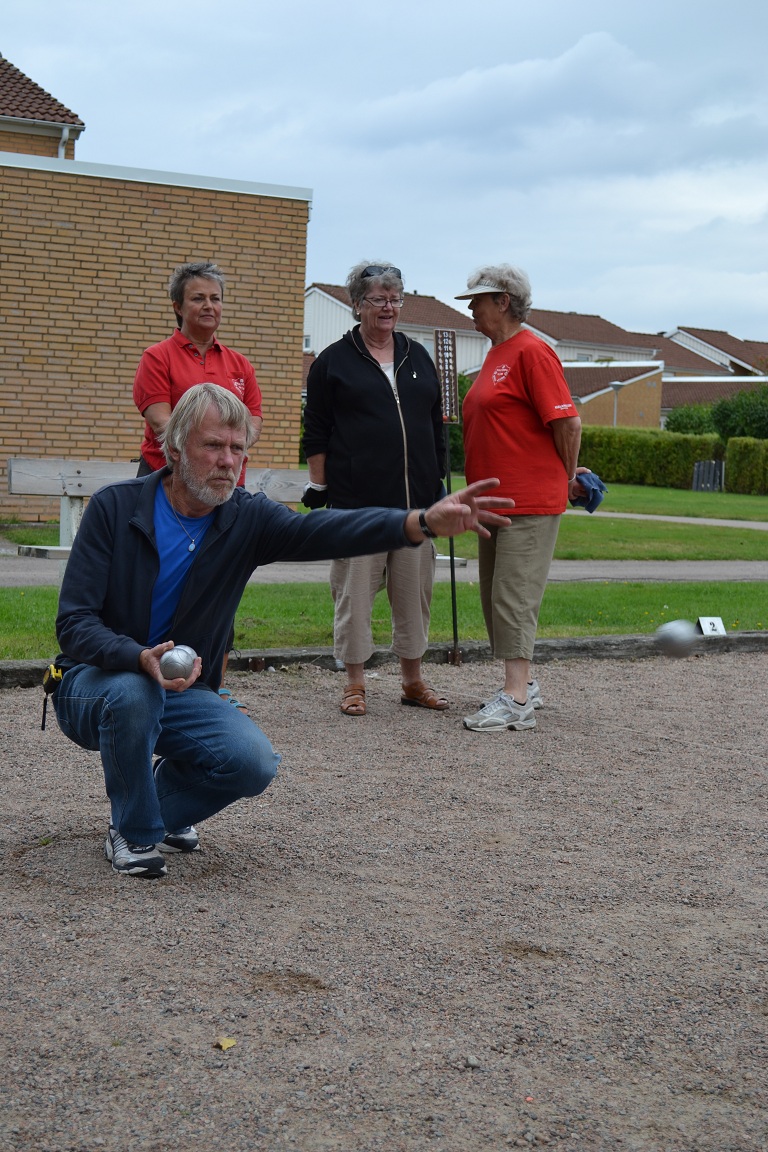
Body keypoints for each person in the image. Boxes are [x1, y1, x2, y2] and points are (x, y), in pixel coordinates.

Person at [50, 383, 512, 879]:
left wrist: (420, 522)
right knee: (134, 692)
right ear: (177, 448)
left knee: (252, 763)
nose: (228, 461)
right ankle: (134, 832)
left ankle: (158, 805)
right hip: (95, 683)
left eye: (238, 448)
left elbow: (324, 530)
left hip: (180, 688)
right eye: (213, 446)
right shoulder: (116, 508)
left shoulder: (244, 517)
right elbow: (74, 624)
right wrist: (138, 656)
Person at [303, 261, 447, 717]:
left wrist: (439, 485)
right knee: (354, 596)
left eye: (395, 299)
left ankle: (413, 681)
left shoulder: (417, 356)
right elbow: (316, 430)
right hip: (357, 506)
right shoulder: (332, 362)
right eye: (379, 299)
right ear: (357, 305)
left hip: (416, 506)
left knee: (414, 597)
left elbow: (435, 426)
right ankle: (355, 683)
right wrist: (318, 486)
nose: (389, 307)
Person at [455, 264, 587, 733]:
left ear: (503, 301)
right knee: (495, 597)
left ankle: (515, 700)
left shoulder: (532, 351)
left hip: (528, 500)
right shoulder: (497, 353)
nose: (471, 308)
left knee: (513, 596)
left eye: (477, 300)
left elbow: (568, 422)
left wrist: (566, 476)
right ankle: (525, 684)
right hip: (493, 502)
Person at [133, 260, 264, 705]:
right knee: (158, 583)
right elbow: (161, 421)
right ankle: (149, 672)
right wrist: (203, 451)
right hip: (169, 490)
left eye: (216, 298)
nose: (209, 306)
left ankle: (213, 687)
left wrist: (231, 449)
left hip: (224, 493)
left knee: (220, 589)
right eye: (198, 298)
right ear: (178, 306)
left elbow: (253, 420)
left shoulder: (239, 365)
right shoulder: (158, 358)